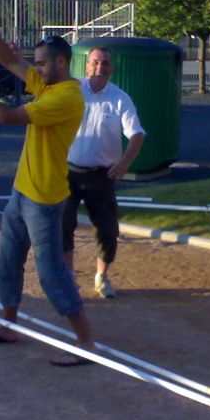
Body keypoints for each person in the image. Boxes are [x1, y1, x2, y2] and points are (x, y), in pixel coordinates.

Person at [0, 3, 96, 367]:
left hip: (45, 199)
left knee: (51, 272)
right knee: (6, 263)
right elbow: (9, 62)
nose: (34, 68)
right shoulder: (46, 85)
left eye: (41, 63)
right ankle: (8, 325)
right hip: (21, 192)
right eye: (35, 63)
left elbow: (5, 117)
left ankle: (85, 341)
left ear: (61, 63)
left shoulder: (66, 97)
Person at [63, 46, 146, 298]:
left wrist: (124, 163)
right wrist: (12, 57)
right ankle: (69, 278)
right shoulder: (73, 88)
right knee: (63, 225)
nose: (100, 68)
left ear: (112, 68)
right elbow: (39, 75)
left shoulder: (120, 98)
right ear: (86, 65)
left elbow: (137, 134)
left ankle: (101, 276)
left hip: (102, 176)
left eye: (105, 63)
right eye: (95, 63)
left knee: (108, 229)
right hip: (68, 173)